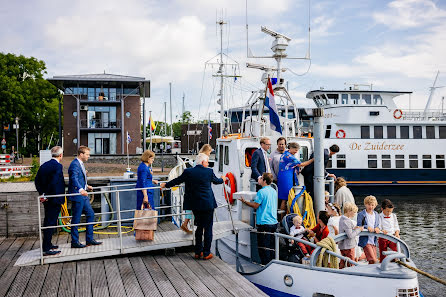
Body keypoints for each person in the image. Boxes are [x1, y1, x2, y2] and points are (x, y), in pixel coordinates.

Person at [161, 153, 226, 260]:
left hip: (195, 204)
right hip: (207, 204)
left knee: (199, 227)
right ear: (203, 162)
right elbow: (217, 181)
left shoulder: (188, 171)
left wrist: (166, 185)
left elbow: (177, 180)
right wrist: (223, 178)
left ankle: (197, 252)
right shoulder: (209, 171)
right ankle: (206, 253)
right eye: (207, 161)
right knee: (208, 228)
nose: (208, 163)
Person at [240, 173, 278, 265]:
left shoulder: (261, 192)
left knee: (263, 247)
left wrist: (245, 202)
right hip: (273, 222)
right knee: (271, 246)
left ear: (264, 181)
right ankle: (272, 264)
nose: (259, 179)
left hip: (264, 223)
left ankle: (265, 265)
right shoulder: (273, 190)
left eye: (261, 178)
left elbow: (256, 205)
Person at [68, 146, 102, 248]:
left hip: (83, 195)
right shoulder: (74, 164)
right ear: (81, 154)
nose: (89, 156)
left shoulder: (80, 164)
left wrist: (86, 186)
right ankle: (74, 242)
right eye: (87, 154)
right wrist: (81, 189)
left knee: (91, 214)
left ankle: (89, 239)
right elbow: (73, 179)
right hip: (78, 195)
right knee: (76, 219)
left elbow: (79, 179)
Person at [34, 146, 65, 256]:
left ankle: (48, 244)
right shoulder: (57, 166)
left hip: (47, 198)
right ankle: (46, 248)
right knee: (50, 222)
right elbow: (54, 182)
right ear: (60, 155)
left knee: (48, 221)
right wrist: (47, 194)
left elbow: (36, 180)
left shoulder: (44, 165)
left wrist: (42, 193)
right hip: (54, 199)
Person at [181, 144, 214, 234]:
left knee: (193, 208)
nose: (210, 154)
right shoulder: (202, 159)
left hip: (193, 187)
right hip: (198, 189)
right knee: (197, 209)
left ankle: (186, 223)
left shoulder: (198, 158)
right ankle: (192, 225)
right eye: (210, 152)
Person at [277, 142, 313, 215]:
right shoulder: (289, 156)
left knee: (285, 198)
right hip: (286, 177)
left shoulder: (285, 153)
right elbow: (301, 164)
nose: (296, 152)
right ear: (291, 148)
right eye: (295, 150)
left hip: (284, 176)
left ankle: (283, 217)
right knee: (286, 197)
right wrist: (313, 159)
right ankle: (283, 218)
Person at [338, 202, 363, 268]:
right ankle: (351, 274)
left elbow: (346, 230)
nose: (355, 214)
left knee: (343, 261)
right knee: (351, 263)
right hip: (349, 246)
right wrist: (359, 229)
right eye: (354, 212)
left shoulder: (341, 219)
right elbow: (350, 235)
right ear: (349, 211)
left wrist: (354, 228)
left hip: (342, 245)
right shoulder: (347, 221)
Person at [357, 195, 380, 264]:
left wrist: (377, 228)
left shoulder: (376, 214)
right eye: (369, 205)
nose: (371, 207)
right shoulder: (361, 214)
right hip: (365, 240)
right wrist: (367, 227)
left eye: (372, 205)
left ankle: (371, 273)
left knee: (372, 260)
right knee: (373, 259)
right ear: (365, 204)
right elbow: (359, 225)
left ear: (375, 205)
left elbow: (377, 225)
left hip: (373, 240)